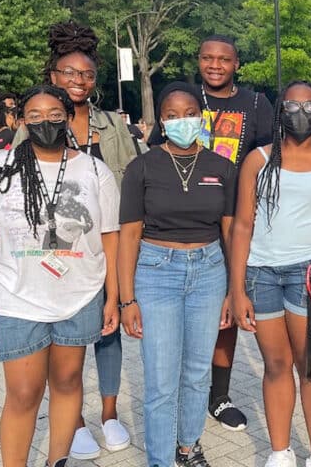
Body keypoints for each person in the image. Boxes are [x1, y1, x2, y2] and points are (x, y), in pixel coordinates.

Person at [0, 85, 120, 467]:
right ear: (20, 121)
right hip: (17, 299)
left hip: (80, 296)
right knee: (24, 393)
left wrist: (114, 298)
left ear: (68, 116)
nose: (44, 122)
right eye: (33, 116)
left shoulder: (94, 170)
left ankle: (57, 461)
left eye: (53, 114)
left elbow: (111, 239)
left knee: (67, 384)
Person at [15, 21, 141, 459]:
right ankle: (76, 419)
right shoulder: (37, 117)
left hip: (107, 246)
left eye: (86, 74)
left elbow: (132, 186)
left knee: (109, 332)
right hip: (56, 253)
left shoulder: (112, 124)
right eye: (69, 73)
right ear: (54, 76)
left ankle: (108, 413)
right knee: (64, 343)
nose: (78, 81)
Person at [147, 34, 273, 431]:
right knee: (175, 318)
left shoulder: (255, 104)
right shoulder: (183, 98)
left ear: (237, 64)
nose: (215, 65)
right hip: (183, 224)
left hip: (234, 219)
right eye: (207, 58)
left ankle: (217, 395)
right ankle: (180, 393)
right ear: (198, 60)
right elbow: (155, 153)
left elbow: (270, 159)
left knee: (225, 313)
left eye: (224, 59)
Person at [230, 81, 311, 467]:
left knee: (310, 363)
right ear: (280, 110)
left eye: (310, 105)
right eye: (292, 105)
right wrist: (236, 290)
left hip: (309, 274)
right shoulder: (258, 160)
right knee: (276, 365)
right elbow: (242, 226)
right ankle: (280, 451)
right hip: (260, 274)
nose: (301, 112)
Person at [117, 82, 235, 467]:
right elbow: (129, 235)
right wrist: (127, 299)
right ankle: (160, 459)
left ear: (201, 117)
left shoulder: (222, 167)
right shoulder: (143, 167)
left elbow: (231, 231)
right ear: (161, 122)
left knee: (199, 372)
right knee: (161, 381)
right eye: (171, 115)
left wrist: (235, 290)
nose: (181, 121)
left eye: (188, 113)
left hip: (209, 272)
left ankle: (188, 447)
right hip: (156, 272)